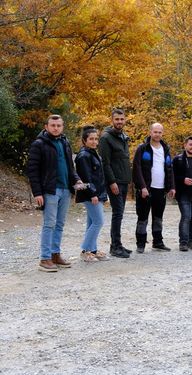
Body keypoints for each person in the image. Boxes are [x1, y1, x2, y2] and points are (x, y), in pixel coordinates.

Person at [27, 114, 83, 272]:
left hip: (65, 190)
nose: (56, 128)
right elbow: (32, 170)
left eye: (58, 125)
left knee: (59, 224)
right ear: (46, 127)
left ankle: (55, 255)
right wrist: (37, 193)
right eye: (53, 125)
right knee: (49, 224)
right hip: (49, 191)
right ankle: (45, 258)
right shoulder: (39, 144)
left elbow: (70, 167)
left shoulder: (65, 142)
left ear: (62, 127)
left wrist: (77, 180)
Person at [132, 123, 175, 253]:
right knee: (143, 217)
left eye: (160, 132)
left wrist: (171, 187)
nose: (157, 134)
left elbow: (169, 168)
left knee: (158, 217)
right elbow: (137, 168)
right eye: (155, 132)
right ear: (150, 132)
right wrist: (142, 187)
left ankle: (158, 242)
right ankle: (140, 243)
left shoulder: (165, 148)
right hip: (146, 190)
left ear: (162, 133)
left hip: (161, 189)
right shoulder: (143, 148)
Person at [99, 108, 132, 258]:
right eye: (117, 119)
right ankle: (115, 247)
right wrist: (112, 182)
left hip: (124, 181)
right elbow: (105, 163)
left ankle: (117, 244)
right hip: (115, 182)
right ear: (112, 120)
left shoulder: (124, 137)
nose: (119, 122)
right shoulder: (106, 138)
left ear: (125, 120)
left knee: (120, 213)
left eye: (122, 119)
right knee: (117, 213)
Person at [75, 126, 110, 262]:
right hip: (90, 195)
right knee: (98, 222)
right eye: (91, 139)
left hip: (98, 193)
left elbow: (99, 177)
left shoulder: (94, 154)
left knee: (91, 223)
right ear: (84, 140)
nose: (94, 142)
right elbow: (86, 178)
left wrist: (102, 194)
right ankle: (85, 250)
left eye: (96, 139)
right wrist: (92, 194)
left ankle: (92, 250)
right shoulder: (83, 156)